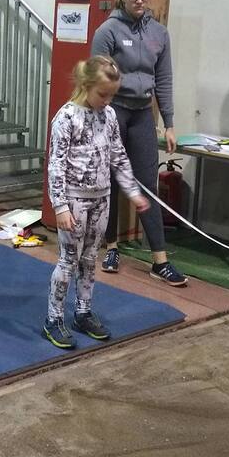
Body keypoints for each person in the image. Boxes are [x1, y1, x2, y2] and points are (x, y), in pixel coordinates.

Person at [44, 56, 150, 349]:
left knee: (90, 259)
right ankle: (53, 318)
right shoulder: (66, 117)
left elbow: (118, 155)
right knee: (69, 260)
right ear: (85, 85)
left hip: (101, 199)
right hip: (74, 200)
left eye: (112, 95)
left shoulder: (110, 115)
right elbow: (56, 165)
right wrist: (60, 206)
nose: (107, 101)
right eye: (103, 94)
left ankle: (83, 312)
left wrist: (132, 191)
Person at [92, 0, 186, 287]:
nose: (140, 0)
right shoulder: (108, 30)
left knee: (147, 184)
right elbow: (96, 79)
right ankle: (111, 247)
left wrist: (169, 123)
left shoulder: (159, 33)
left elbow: (164, 79)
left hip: (143, 114)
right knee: (111, 182)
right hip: (113, 112)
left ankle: (160, 260)